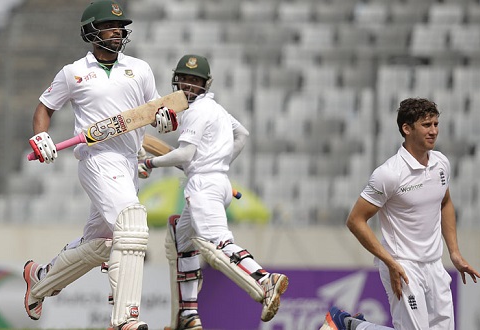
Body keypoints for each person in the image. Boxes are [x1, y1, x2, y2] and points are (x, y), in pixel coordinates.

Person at [22, 1, 176, 329]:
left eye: (120, 27)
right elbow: (44, 108)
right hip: (95, 158)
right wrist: (41, 137)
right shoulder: (74, 72)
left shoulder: (140, 69)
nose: (118, 31)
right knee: (132, 224)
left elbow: (155, 110)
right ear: (92, 31)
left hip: (127, 163)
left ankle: (39, 280)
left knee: (103, 245)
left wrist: (164, 119)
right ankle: (125, 319)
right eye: (110, 26)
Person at [137, 54, 289, 330]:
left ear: (204, 84)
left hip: (204, 187)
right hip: (218, 182)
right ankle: (188, 314)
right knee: (182, 242)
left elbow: (185, 154)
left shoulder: (195, 111)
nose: (187, 85)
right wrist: (220, 163)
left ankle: (265, 280)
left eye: (194, 81)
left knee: (217, 244)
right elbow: (242, 134)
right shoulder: (217, 109)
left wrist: (150, 162)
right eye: (184, 79)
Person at [344, 98, 480, 330]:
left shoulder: (441, 163)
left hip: (434, 264)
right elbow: (355, 221)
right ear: (406, 129)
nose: (434, 131)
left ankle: (354, 326)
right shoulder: (389, 174)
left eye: (436, 124)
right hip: (403, 265)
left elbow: (445, 202)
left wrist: (455, 253)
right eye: (426, 125)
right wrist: (390, 262)